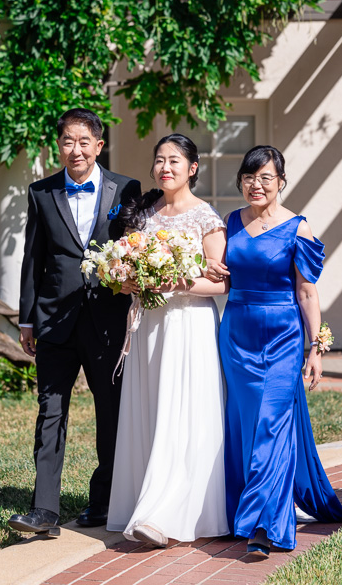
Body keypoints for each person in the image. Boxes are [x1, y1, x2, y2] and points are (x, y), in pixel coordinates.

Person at [210, 145, 342, 556]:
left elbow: (307, 292)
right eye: (248, 176)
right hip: (237, 334)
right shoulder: (231, 223)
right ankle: (247, 513)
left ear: (281, 182)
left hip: (283, 337)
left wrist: (315, 349)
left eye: (265, 178)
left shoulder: (299, 228)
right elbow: (223, 278)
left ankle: (264, 527)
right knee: (246, 424)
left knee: (271, 425)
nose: (255, 185)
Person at [8, 108, 141, 536]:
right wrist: (27, 319)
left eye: (85, 142)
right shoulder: (41, 192)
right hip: (54, 320)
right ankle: (44, 511)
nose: (76, 150)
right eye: (68, 141)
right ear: (59, 145)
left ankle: (103, 501)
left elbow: (136, 249)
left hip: (107, 320)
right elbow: (34, 258)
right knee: (50, 411)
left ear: (99, 146)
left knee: (111, 412)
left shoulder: (126, 188)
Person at [106, 134, 230, 548]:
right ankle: (141, 499)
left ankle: (167, 513)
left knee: (183, 411)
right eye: (159, 160)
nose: (165, 168)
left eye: (175, 161)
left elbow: (220, 284)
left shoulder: (205, 217)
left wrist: (172, 282)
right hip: (148, 327)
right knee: (152, 409)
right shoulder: (144, 212)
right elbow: (127, 269)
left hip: (188, 325)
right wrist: (126, 279)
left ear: (192, 168)